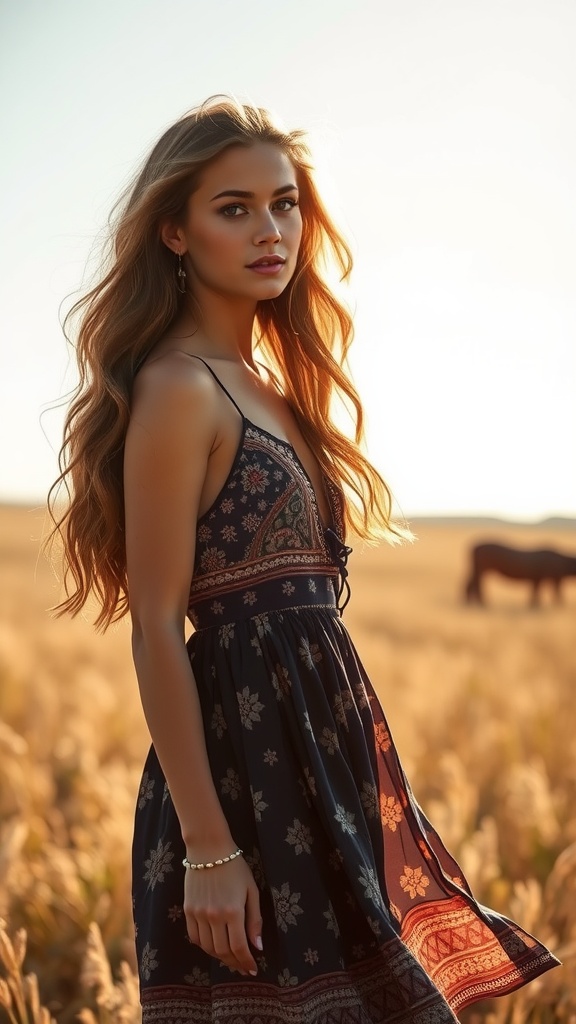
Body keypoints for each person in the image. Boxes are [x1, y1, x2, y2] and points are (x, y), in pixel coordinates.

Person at [49, 96, 559, 1022]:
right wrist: (209, 847)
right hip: (242, 781)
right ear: (174, 230)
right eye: (233, 208)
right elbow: (159, 624)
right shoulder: (177, 387)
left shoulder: (274, 389)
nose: (269, 230)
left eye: (283, 204)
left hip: (325, 766)